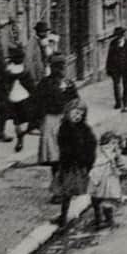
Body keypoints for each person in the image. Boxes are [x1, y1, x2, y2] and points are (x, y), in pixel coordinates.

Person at [32, 53, 79, 194]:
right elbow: (37, 104)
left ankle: (67, 186)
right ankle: (59, 190)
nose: (62, 70)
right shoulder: (46, 84)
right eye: (59, 67)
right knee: (55, 158)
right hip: (51, 121)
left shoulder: (69, 84)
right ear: (53, 68)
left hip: (66, 121)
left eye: (63, 67)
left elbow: (76, 102)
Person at [54, 99, 96, 228]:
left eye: (80, 114)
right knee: (66, 192)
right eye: (75, 113)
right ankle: (63, 217)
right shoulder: (64, 128)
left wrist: (88, 160)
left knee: (90, 190)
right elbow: (62, 145)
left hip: (81, 164)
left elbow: (92, 144)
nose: (77, 116)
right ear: (68, 112)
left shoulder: (85, 128)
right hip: (68, 164)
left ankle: (99, 215)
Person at [90, 131, 127, 228]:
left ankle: (108, 219)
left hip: (109, 179)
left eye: (115, 143)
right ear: (104, 143)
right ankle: (100, 219)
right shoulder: (100, 153)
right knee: (99, 199)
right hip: (99, 179)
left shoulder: (114, 153)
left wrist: (123, 169)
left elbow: (120, 163)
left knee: (108, 199)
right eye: (111, 143)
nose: (113, 146)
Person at [5, 47, 37, 153]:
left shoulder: (8, 69)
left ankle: (19, 138)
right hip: (24, 97)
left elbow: (4, 84)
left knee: (17, 122)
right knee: (26, 119)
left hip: (12, 98)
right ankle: (24, 133)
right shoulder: (25, 70)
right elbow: (31, 85)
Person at [103, 27, 127, 113]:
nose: (118, 38)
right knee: (116, 85)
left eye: (119, 36)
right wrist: (108, 68)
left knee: (126, 86)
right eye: (117, 36)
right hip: (115, 68)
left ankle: (125, 103)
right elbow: (109, 56)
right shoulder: (113, 43)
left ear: (123, 36)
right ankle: (118, 102)